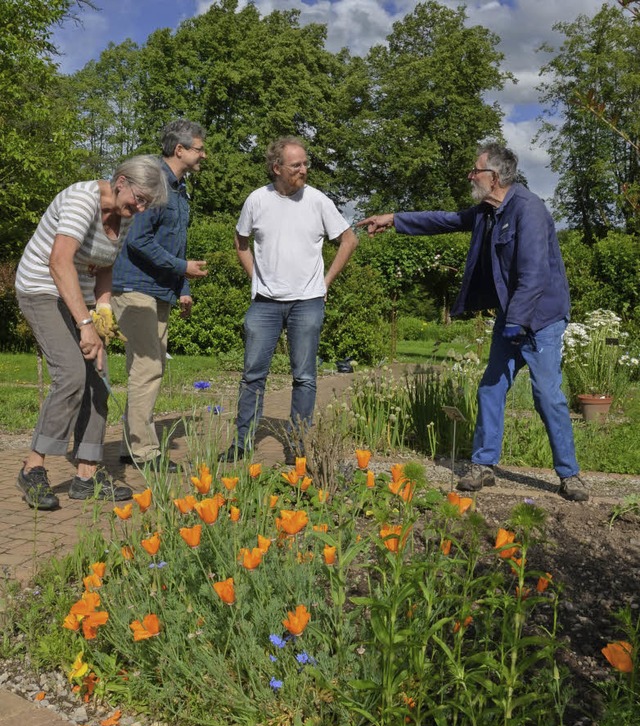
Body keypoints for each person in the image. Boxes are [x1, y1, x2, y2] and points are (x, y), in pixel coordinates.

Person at [358, 141, 588, 502]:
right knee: (491, 388)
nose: (470, 175)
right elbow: (446, 220)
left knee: (547, 395)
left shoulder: (529, 211)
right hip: (512, 316)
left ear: (494, 177)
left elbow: (533, 276)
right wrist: (395, 219)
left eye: (475, 170)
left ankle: (570, 475)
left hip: (540, 318)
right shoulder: (487, 211)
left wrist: (517, 322)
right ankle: (484, 466)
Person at [15, 155, 168, 510]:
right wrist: (84, 326)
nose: (141, 207)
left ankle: (86, 475)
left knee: (97, 379)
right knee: (70, 376)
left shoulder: (124, 217)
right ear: (121, 181)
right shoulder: (80, 200)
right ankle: (32, 469)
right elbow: (58, 262)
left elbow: (104, 268)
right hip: (41, 289)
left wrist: (101, 314)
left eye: (148, 203)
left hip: (78, 297)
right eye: (139, 198)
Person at [221, 136, 358, 463]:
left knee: (304, 376)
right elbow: (241, 241)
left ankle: (297, 445)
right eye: (296, 165)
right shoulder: (257, 200)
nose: (304, 169)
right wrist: (256, 277)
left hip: (307, 301)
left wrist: (325, 282)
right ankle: (242, 443)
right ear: (277, 168)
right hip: (265, 303)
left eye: (305, 163)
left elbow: (349, 240)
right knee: (253, 374)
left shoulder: (318, 201)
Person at [111, 120, 208, 471]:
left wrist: (182, 286)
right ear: (179, 149)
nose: (203, 154)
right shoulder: (152, 184)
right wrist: (182, 268)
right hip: (135, 288)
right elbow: (138, 240)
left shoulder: (180, 190)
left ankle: (131, 444)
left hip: (160, 291)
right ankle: (143, 452)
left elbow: (174, 242)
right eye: (198, 148)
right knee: (148, 367)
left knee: (148, 368)